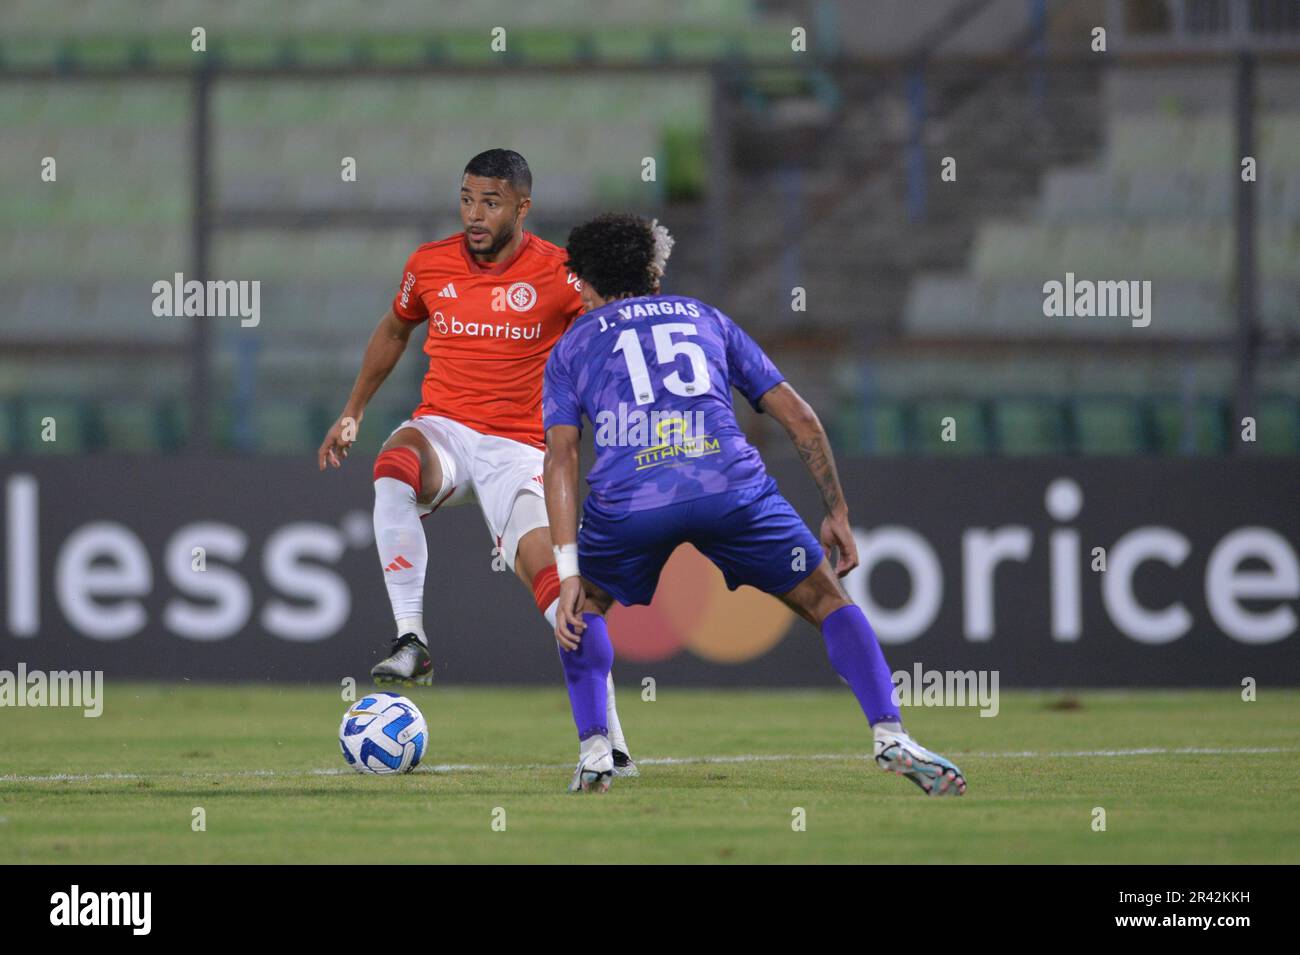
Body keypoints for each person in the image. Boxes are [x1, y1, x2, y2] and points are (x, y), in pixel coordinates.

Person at [542, 213, 965, 795]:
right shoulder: (706, 318)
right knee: (824, 596)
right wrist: (836, 511)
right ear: (654, 275)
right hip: (728, 486)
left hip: (631, 499)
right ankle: (890, 733)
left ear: (583, 285)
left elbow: (561, 458)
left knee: (582, 607)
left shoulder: (570, 348)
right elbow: (802, 419)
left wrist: (566, 571)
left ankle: (595, 752)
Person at [318, 150, 636, 774]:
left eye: (490, 202)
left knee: (563, 604)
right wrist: (354, 408)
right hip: (444, 431)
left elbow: (609, 337)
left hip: (520, 452)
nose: (473, 214)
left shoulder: (561, 274)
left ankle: (612, 744)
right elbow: (394, 329)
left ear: (523, 207)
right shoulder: (428, 264)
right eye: (466, 198)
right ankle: (412, 639)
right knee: (392, 470)